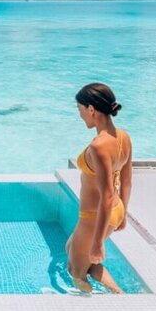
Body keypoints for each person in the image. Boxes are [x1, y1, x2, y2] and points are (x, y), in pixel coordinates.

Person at [66, 82, 132, 294]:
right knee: (72, 249)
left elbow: (105, 195)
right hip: (114, 209)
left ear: (91, 109)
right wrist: (124, 215)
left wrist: (97, 242)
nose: (80, 114)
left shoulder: (99, 146)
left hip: (94, 217)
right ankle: (118, 293)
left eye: (80, 109)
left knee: (75, 272)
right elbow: (127, 180)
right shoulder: (123, 137)